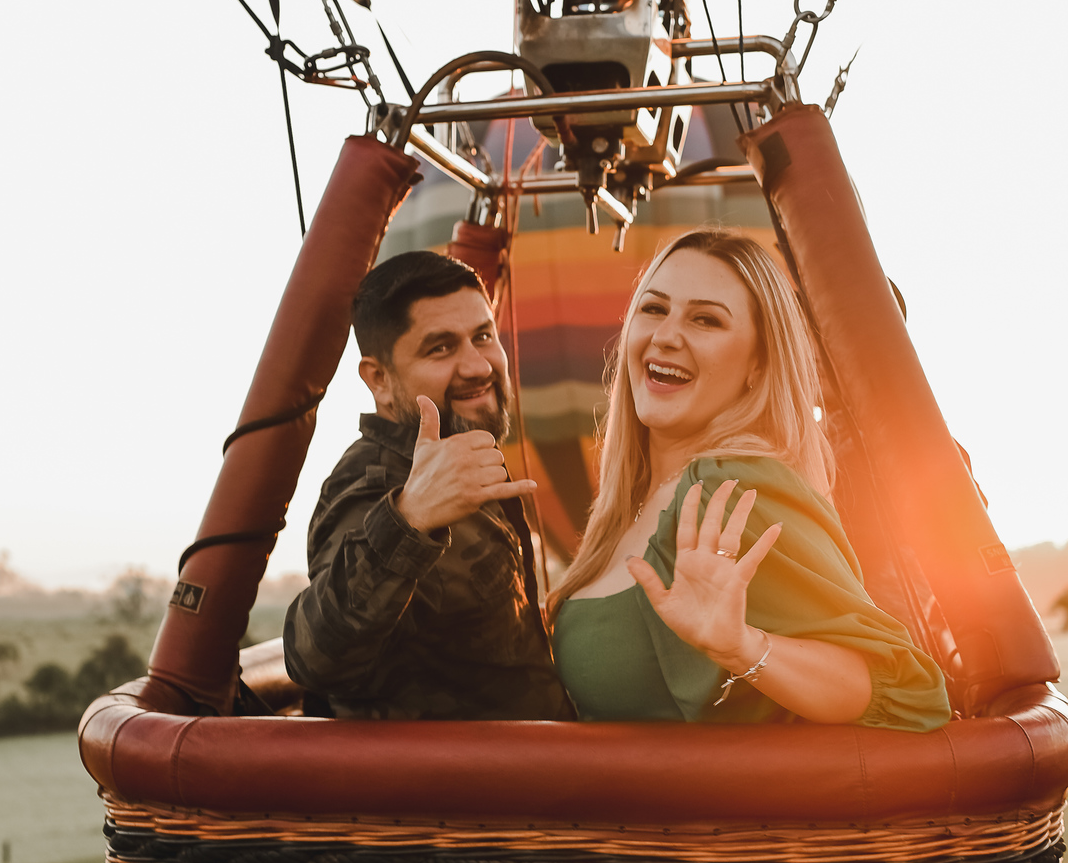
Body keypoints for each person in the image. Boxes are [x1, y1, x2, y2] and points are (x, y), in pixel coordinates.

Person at [551, 229, 950, 729]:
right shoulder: (630, 505)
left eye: (706, 319)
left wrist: (742, 647)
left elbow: (909, 692)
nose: (667, 335)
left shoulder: (731, 486)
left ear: (758, 365)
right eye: (653, 309)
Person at [283, 250, 573, 721]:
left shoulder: (459, 460)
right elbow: (314, 656)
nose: (478, 366)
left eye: (483, 336)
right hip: (454, 790)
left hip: (531, 779)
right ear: (379, 379)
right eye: (440, 348)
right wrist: (409, 518)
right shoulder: (375, 485)